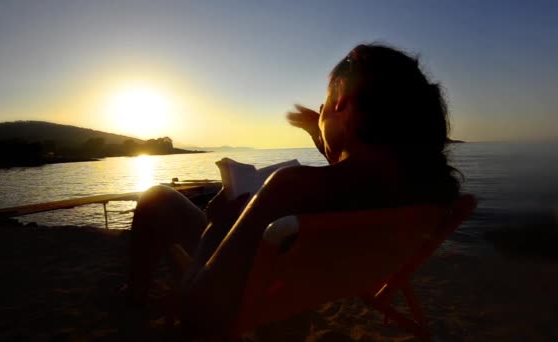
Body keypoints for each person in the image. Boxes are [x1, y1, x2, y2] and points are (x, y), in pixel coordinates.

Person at [128, 43, 460, 336]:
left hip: (244, 284)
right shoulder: (426, 192)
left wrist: (217, 226)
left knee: (156, 198)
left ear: (343, 100)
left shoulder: (290, 188)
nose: (321, 113)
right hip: (307, 286)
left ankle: (134, 298)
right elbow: (350, 169)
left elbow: (199, 318)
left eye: (327, 103)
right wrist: (324, 134)